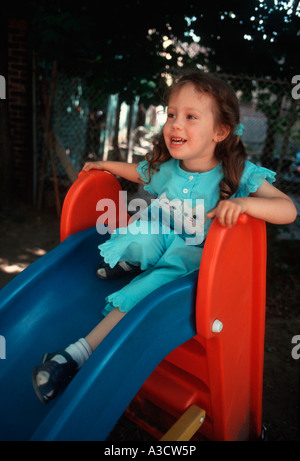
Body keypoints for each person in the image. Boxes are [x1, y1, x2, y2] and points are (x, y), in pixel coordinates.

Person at [32, 71, 297, 404]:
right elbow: (137, 170)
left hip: (190, 257)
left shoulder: (239, 173)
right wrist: (104, 165)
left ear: (220, 131)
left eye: (190, 117)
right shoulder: (171, 167)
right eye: (171, 114)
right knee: (137, 232)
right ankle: (130, 260)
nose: (175, 123)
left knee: (144, 290)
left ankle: (74, 356)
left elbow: (287, 209)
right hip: (161, 236)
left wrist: (244, 203)